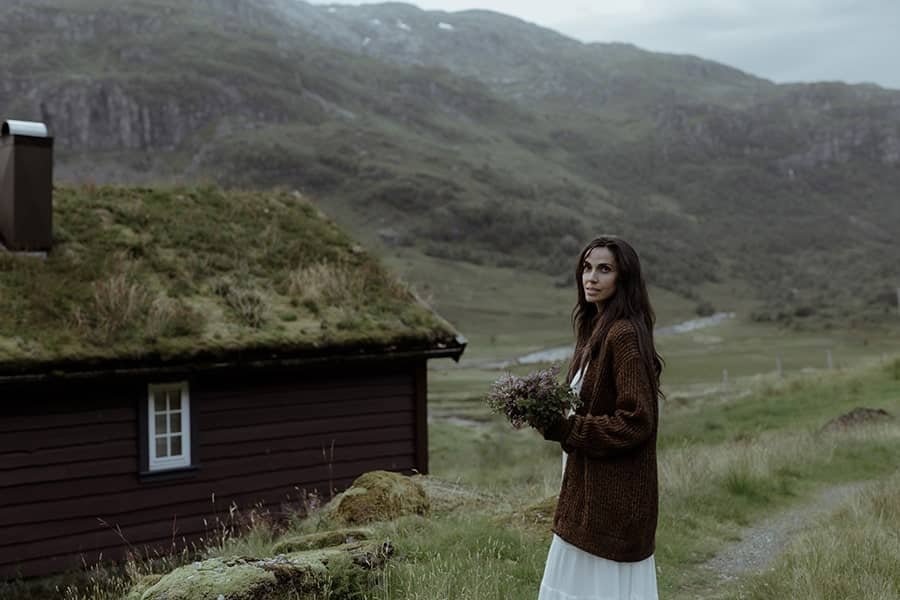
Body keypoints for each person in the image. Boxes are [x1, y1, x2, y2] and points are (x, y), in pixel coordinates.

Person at [537, 235, 663, 600]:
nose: (591, 278)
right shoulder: (594, 331)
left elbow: (637, 421)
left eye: (604, 269)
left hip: (614, 500)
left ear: (623, 279)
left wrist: (569, 428)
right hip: (585, 491)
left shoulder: (623, 335)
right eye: (587, 268)